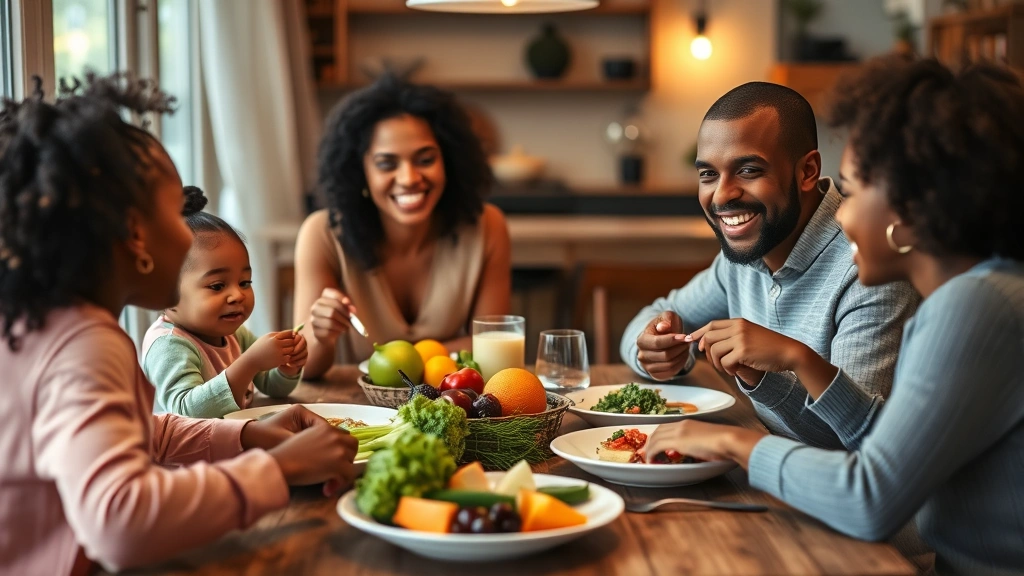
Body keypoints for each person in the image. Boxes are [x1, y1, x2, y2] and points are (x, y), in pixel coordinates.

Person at [643, 56, 1024, 576]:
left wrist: (732, 441)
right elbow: (882, 451)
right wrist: (796, 366)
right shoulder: (976, 297)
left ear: (910, 207)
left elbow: (869, 498)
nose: (840, 213)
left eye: (856, 188)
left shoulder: (974, 308)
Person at [0, 74, 358, 574]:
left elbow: (143, 433)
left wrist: (248, 438)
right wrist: (279, 468)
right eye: (176, 213)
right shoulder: (83, 347)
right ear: (135, 237)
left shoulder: (56, 326)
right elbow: (120, 522)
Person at [619, 81, 919, 449]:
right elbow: (651, 317)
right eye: (708, 174)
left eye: (748, 170)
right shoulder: (744, 254)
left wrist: (765, 378)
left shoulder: (869, 267)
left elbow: (861, 444)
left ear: (807, 171)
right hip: (759, 468)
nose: (722, 195)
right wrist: (654, 352)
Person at [293, 73, 511, 377]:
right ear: (360, 171)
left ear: (449, 161)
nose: (409, 178)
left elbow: (492, 347)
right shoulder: (323, 234)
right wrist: (320, 335)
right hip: (358, 410)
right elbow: (306, 370)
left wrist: (404, 362)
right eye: (386, 164)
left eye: (425, 159)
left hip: (451, 401)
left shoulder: (487, 226)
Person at [141, 186, 305, 418]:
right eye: (217, 286)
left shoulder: (235, 335)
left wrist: (287, 368)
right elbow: (188, 412)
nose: (237, 295)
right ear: (166, 292)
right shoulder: (169, 345)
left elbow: (273, 388)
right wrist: (250, 362)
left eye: (245, 282)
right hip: (191, 453)